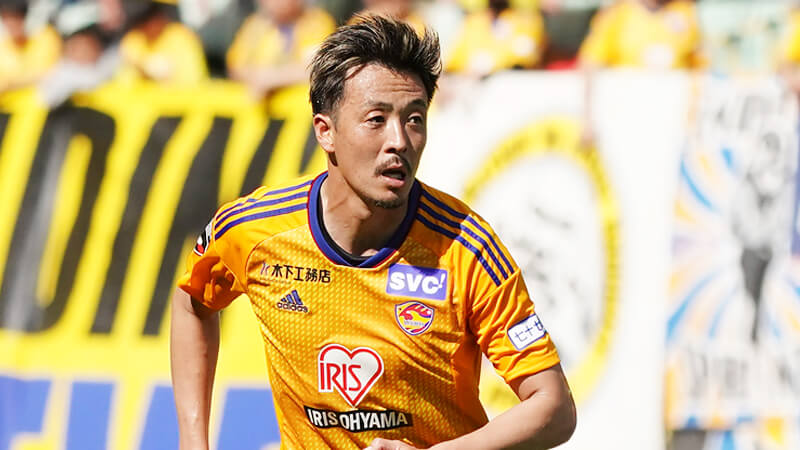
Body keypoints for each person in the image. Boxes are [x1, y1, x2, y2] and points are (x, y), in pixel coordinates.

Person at [171, 14, 576, 449]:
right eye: (376, 119)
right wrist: (194, 442)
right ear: (326, 132)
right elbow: (192, 303)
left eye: (415, 119)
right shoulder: (254, 230)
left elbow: (553, 406)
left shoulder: (466, 248)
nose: (399, 140)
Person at [226, 0, 336, 97]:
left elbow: (314, 68)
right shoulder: (255, 25)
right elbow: (235, 67)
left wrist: (272, 79)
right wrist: (256, 78)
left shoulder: (315, 22)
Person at [116, 0, 207, 84]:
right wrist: (143, 70)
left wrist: (160, 75)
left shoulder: (181, 37)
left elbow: (192, 80)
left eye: (147, 20)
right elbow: (123, 81)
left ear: (159, 17)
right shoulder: (134, 39)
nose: (145, 28)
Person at [0, 0, 61, 93]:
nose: (11, 25)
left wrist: (10, 82)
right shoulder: (4, 44)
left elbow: (45, 74)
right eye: (7, 20)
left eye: (17, 18)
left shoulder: (46, 37)